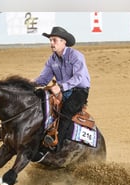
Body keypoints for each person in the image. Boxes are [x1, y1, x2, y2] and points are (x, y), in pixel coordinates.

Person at [32, 26, 91, 161]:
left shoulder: (76, 56)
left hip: (79, 91)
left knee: (65, 112)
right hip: (62, 89)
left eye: (54, 40)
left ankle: (54, 146)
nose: (51, 43)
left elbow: (79, 78)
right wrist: (30, 83)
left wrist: (61, 87)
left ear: (64, 42)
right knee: (41, 103)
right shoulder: (52, 60)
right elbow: (43, 79)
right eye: (50, 40)